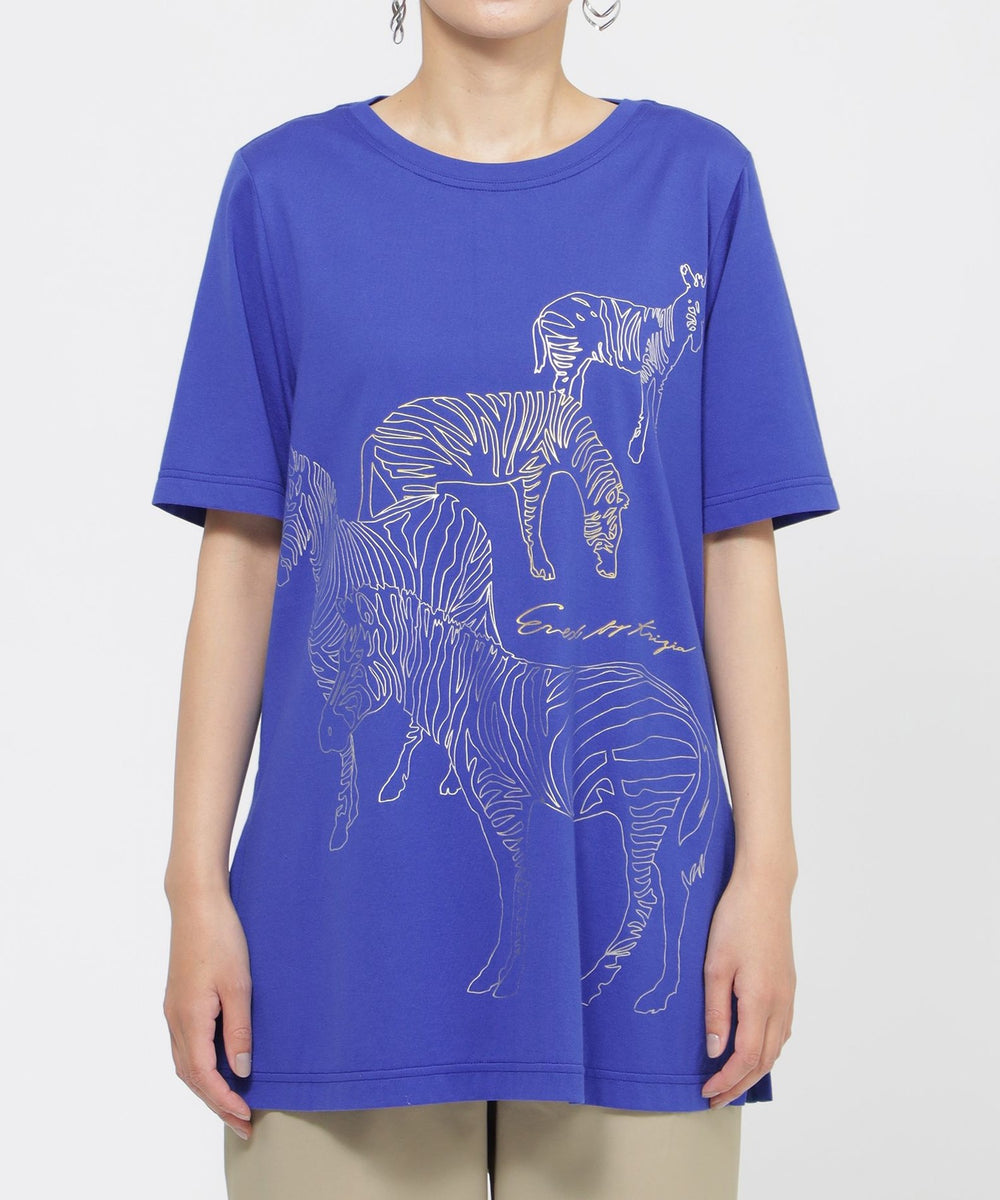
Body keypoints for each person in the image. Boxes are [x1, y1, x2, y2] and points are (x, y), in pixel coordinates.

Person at [153, 2, 840, 1197]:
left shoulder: (697, 184)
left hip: (630, 934)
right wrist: (194, 887)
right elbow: (246, 557)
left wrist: (765, 874)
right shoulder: (283, 193)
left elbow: (734, 552)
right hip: (340, 933)